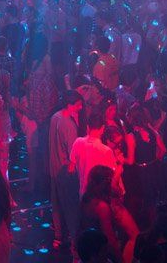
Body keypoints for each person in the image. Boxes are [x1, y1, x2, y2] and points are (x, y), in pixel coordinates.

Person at [78, 165, 137, 263]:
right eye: (110, 181)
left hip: (88, 252)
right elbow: (110, 238)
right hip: (99, 254)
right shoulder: (101, 207)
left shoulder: (86, 199)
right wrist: (120, 260)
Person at [50, 90, 85, 250]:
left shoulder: (55, 117)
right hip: (66, 171)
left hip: (54, 169)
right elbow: (73, 153)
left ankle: (58, 237)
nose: (80, 108)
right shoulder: (69, 125)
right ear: (70, 105)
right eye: (78, 105)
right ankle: (75, 244)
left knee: (56, 204)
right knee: (71, 207)